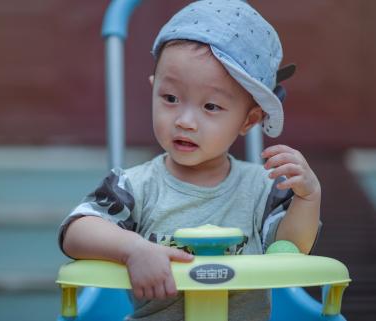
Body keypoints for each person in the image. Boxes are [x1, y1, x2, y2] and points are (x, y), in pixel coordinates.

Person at [58, 1, 321, 320]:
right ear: (153, 91)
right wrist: (132, 249)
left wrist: (308, 198)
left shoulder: (262, 189)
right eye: (170, 99)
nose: (185, 121)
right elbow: (76, 231)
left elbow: (291, 248)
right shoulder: (134, 186)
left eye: (210, 107)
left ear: (248, 121)